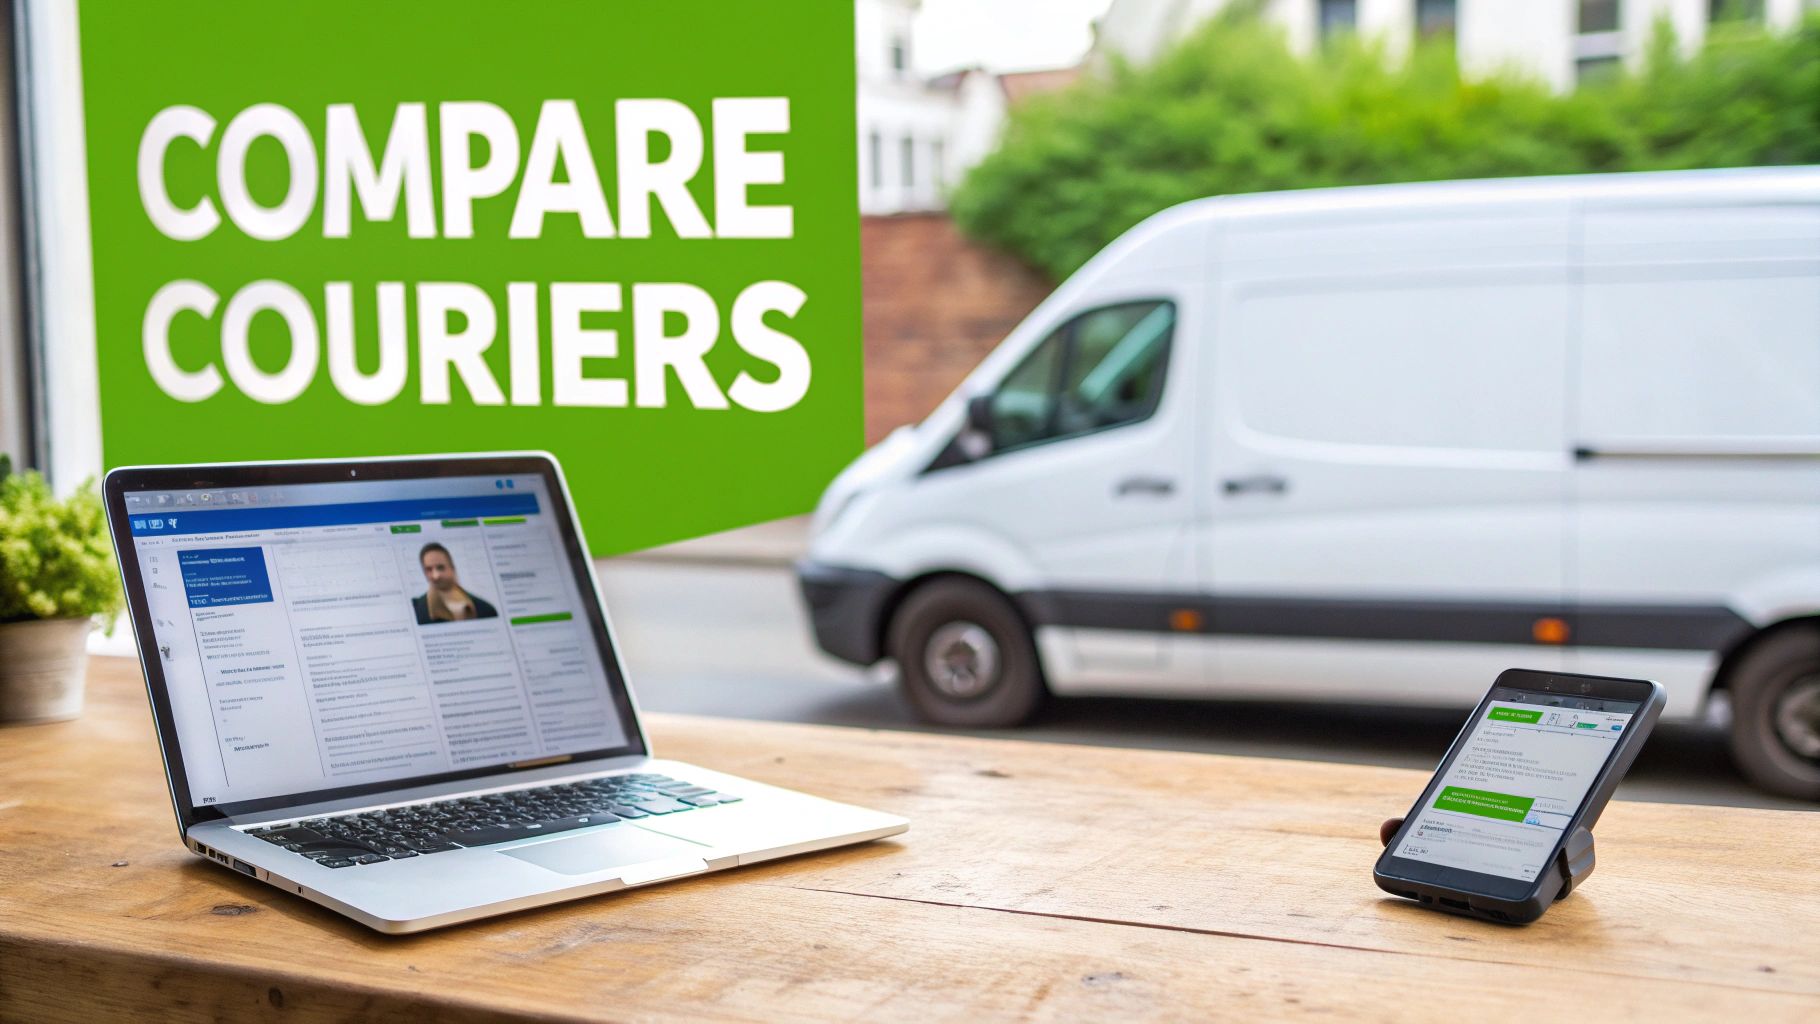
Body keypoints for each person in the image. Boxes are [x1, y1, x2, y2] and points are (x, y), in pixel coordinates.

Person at [412, 542, 498, 625]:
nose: (436, 576)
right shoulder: (415, 610)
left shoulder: (486, 609)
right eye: (429, 569)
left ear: (452, 568)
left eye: (440, 567)